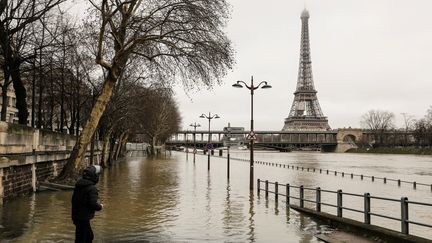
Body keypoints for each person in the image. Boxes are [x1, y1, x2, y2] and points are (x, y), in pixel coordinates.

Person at [71, 165, 103, 243]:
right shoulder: (92, 188)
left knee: (86, 236)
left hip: (76, 215)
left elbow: (74, 199)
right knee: (85, 238)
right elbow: (93, 204)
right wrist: (100, 206)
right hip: (83, 217)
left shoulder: (79, 185)